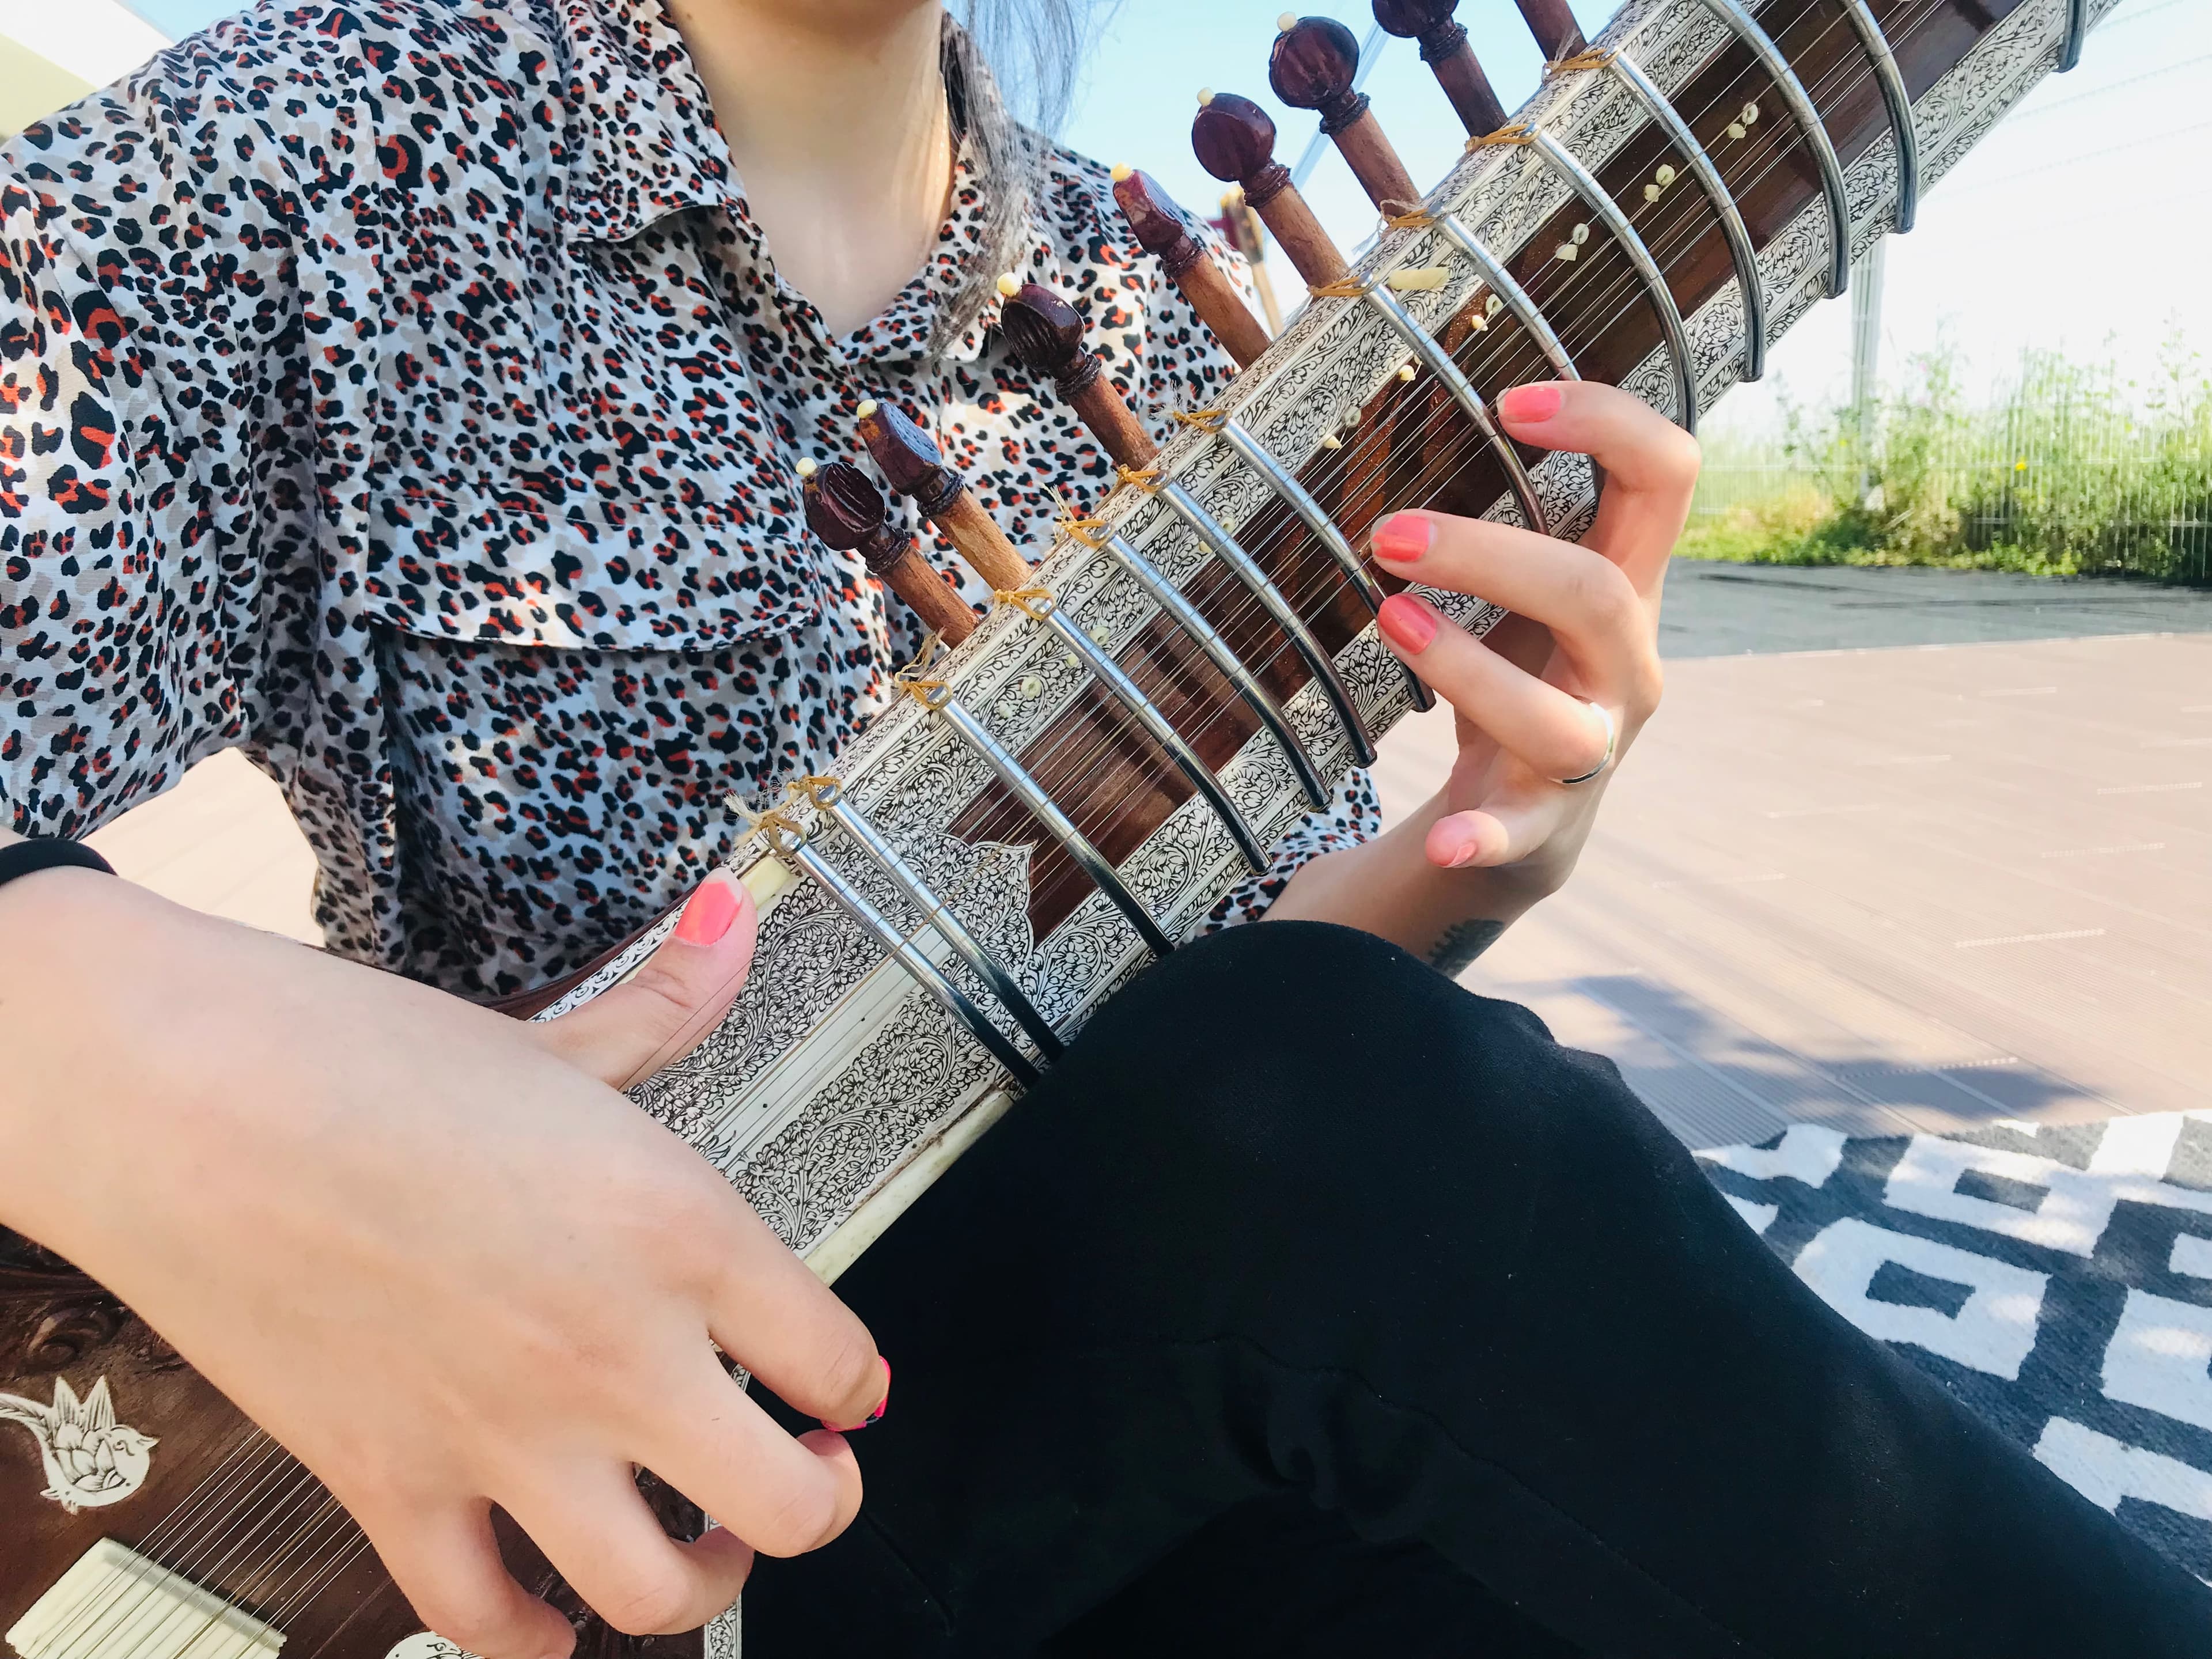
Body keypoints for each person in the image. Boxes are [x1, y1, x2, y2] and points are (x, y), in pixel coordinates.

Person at [0, 1, 2202, 1654]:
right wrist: (117, 1061)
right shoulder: (294, 171)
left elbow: (1201, 1129)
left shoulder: (1150, 312)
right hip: (477, 1545)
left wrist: (1467, 862)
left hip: (1014, 1466)